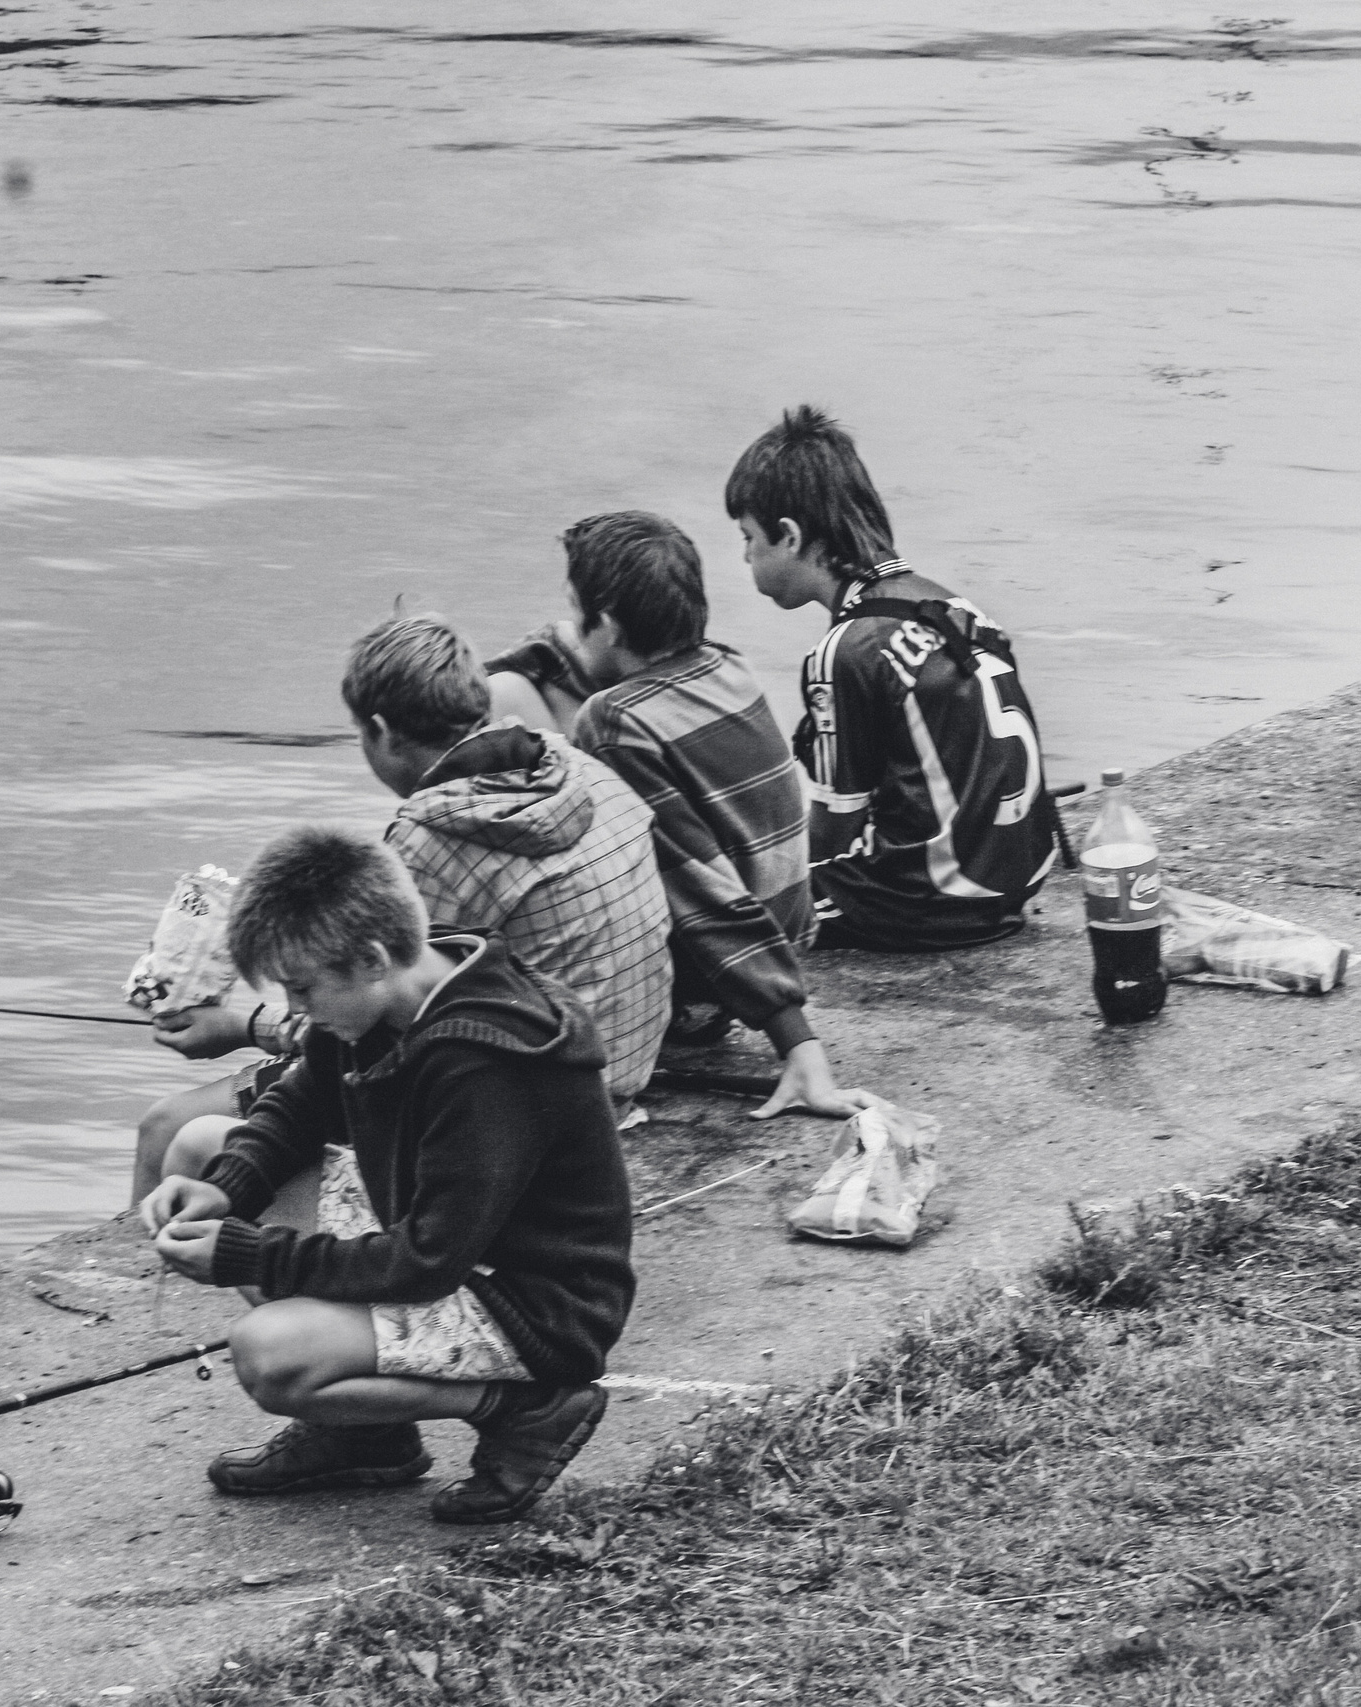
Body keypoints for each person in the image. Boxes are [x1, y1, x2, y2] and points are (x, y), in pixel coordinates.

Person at [140, 825, 631, 1524]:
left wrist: (243, 1254)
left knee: (268, 1356)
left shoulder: (486, 1062)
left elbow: (426, 1260)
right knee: (199, 1148)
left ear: (370, 958)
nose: (296, 1007)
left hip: (531, 1301)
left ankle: (524, 1407)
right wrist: (227, 1188)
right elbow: (303, 1098)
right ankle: (365, 1429)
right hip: (445, 1243)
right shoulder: (392, 993)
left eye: (302, 987)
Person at [133, 616, 674, 1199]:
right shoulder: (582, 768)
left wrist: (240, 1026)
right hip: (617, 1071)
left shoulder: (428, 837)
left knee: (167, 1128)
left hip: (517, 1102)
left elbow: (363, 1010)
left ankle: (159, 1269)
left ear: (383, 730)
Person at [487, 511, 868, 1121]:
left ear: (608, 625)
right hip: (784, 934)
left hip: (713, 981)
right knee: (516, 691)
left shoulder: (613, 721)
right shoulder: (728, 665)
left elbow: (701, 889)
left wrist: (797, 1043)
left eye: (576, 611)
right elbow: (563, 648)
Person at [725, 405, 1059, 952]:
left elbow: (832, 829)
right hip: (1013, 882)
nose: (744, 556)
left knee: (729, 906)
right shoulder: (950, 606)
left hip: (926, 905)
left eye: (747, 538)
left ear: (788, 536)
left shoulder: (845, 650)